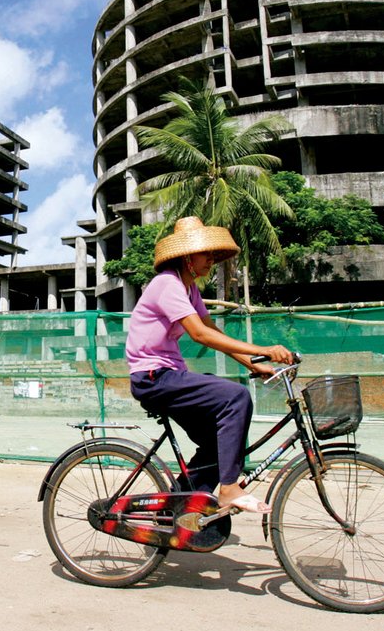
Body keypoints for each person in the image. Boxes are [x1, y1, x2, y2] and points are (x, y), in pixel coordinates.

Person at [126, 217, 296, 514]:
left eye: (213, 255)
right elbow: (199, 334)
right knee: (236, 396)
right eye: (206, 254)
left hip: (170, 376)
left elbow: (213, 332)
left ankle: (178, 508)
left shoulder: (189, 289)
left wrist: (254, 363)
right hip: (152, 377)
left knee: (218, 443)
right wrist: (264, 350)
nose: (212, 261)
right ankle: (228, 489)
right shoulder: (166, 284)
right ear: (187, 256)